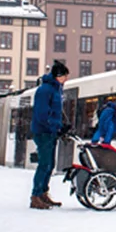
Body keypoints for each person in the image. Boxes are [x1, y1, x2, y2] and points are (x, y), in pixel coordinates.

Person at [30, 61, 71, 210]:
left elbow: (54, 113)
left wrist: (60, 126)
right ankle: (36, 195)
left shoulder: (55, 89)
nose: (66, 79)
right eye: (65, 76)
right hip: (44, 132)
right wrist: (55, 127)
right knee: (45, 164)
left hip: (50, 131)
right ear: (58, 76)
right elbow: (43, 114)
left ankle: (42, 193)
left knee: (49, 164)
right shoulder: (45, 90)